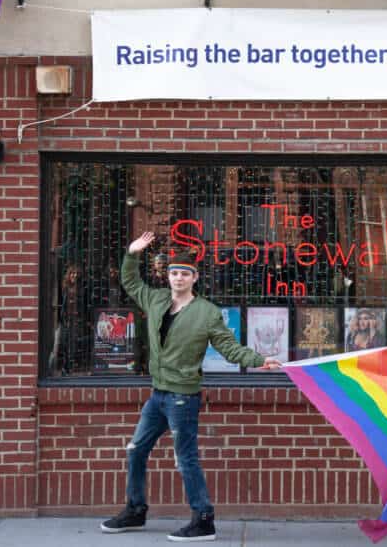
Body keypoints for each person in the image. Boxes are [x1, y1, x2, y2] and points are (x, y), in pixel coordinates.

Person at [101, 231, 281, 541]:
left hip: (183, 397)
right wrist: (132, 253)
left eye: (185, 273)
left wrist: (255, 359)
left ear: (194, 278)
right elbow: (131, 283)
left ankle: (203, 519)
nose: (178, 278)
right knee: (136, 450)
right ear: (167, 275)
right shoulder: (156, 299)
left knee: (185, 459)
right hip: (158, 395)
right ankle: (135, 510)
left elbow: (228, 346)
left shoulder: (206, 312)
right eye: (173, 272)